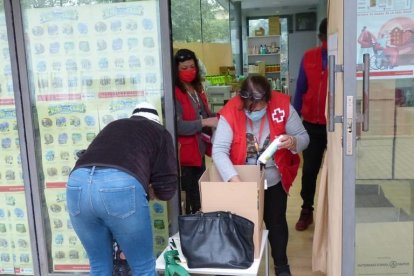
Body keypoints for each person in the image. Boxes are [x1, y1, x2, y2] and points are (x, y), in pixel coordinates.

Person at [212, 75, 309, 276]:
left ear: (268, 100)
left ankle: (281, 265)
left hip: (273, 178)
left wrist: (293, 141)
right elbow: (219, 150)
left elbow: (304, 138)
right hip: (241, 178)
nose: (254, 112)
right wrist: (235, 182)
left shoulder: (282, 107)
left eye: (259, 107)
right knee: (240, 224)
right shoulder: (231, 110)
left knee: (276, 223)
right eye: (250, 108)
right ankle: (241, 264)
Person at [66, 102, 177, 276]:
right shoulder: (159, 132)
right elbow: (166, 187)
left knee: (98, 266)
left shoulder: (114, 126)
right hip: (118, 186)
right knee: (143, 268)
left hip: (77, 184)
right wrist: (153, 191)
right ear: (156, 120)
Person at [293, 17, 328, 231]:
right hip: (311, 127)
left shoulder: (343, 57)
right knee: (310, 171)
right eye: (324, 38)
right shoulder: (309, 57)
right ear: (320, 37)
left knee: (336, 172)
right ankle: (307, 209)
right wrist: (293, 122)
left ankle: (334, 212)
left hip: (337, 127)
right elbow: (300, 91)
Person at [174, 48, 218, 214]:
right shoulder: (175, 93)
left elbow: (205, 113)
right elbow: (178, 126)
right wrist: (204, 122)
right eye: (184, 68)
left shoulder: (196, 89)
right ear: (176, 70)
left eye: (192, 66)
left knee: (201, 196)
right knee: (191, 201)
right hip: (185, 157)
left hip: (199, 151)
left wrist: (224, 115)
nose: (189, 71)